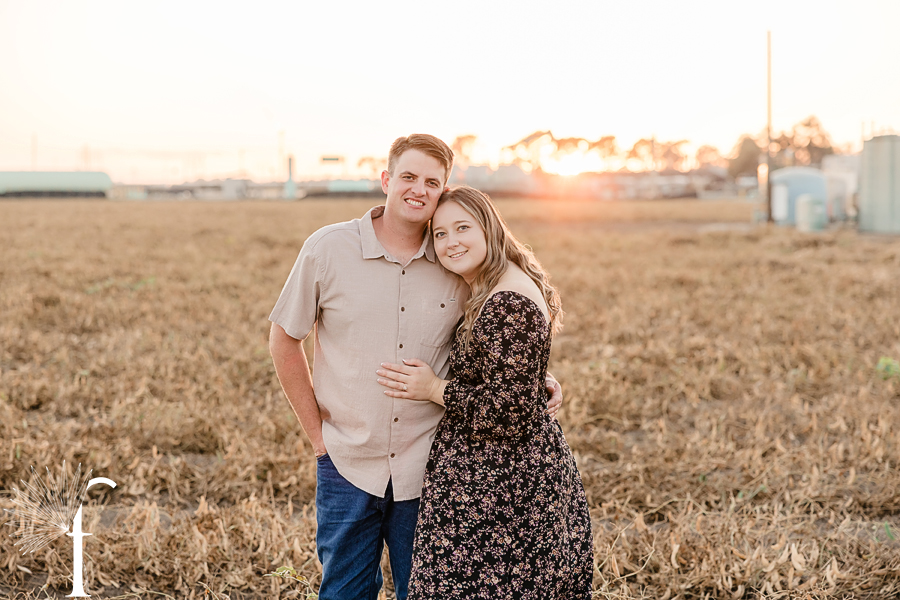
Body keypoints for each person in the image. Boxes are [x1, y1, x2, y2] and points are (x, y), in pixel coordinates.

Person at [268, 135, 563, 600]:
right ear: (386, 179)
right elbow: (285, 338)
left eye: (432, 181)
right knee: (343, 592)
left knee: (427, 593)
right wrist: (317, 437)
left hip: (429, 467)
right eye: (408, 177)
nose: (418, 190)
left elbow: (494, 342)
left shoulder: (454, 257)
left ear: (443, 190)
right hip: (346, 460)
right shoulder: (327, 249)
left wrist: (532, 378)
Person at [376, 185, 593, 599]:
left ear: (489, 228)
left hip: (502, 491)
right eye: (440, 234)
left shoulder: (506, 301)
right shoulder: (499, 282)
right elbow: (510, 375)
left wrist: (433, 388)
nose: (451, 242)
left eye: (462, 228)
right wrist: (534, 381)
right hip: (500, 482)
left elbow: (506, 414)